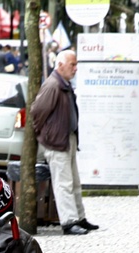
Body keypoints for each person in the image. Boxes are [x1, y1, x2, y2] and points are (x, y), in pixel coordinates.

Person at [31, 50, 98, 236]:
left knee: (74, 182)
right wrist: (46, 133)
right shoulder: (53, 85)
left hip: (66, 139)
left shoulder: (63, 84)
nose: (75, 68)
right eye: (72, 65)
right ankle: (69, 222)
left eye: (76, 64)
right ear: (60, 65)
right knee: (64, 183)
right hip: (56, 141)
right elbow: (37, 112)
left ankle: (79, 217)